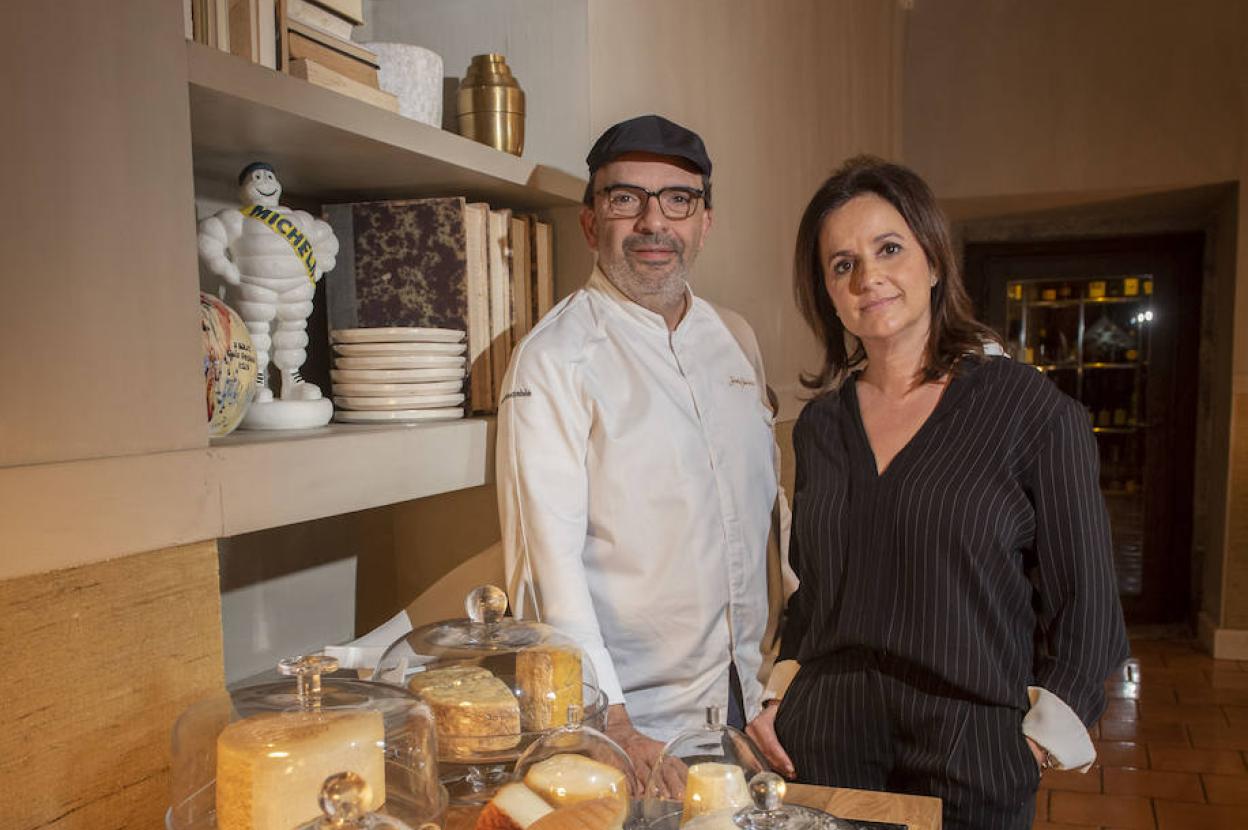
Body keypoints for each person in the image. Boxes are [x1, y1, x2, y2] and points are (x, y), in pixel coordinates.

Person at [746, 156, 1129, 830]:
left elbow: (1089, 608)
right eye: (842, 264)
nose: (868, 277)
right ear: (827, 293)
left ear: (932, 260)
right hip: (826, 742)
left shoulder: (1030, 411)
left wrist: (1034, 745)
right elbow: (814, 590)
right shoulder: (821, 427)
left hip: (971, 749)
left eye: (889, 249)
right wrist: (782, 695)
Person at [495, 115, 780, 784]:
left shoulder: (735, 340)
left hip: (750, 707)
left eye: (678, 199)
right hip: (637, 732)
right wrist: (608, 725)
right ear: (591, 223)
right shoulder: (554, 358)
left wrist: (780, 676)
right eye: (626, 198)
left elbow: (771, 516)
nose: (654, 222)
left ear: (704, 222)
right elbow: (546, 567)